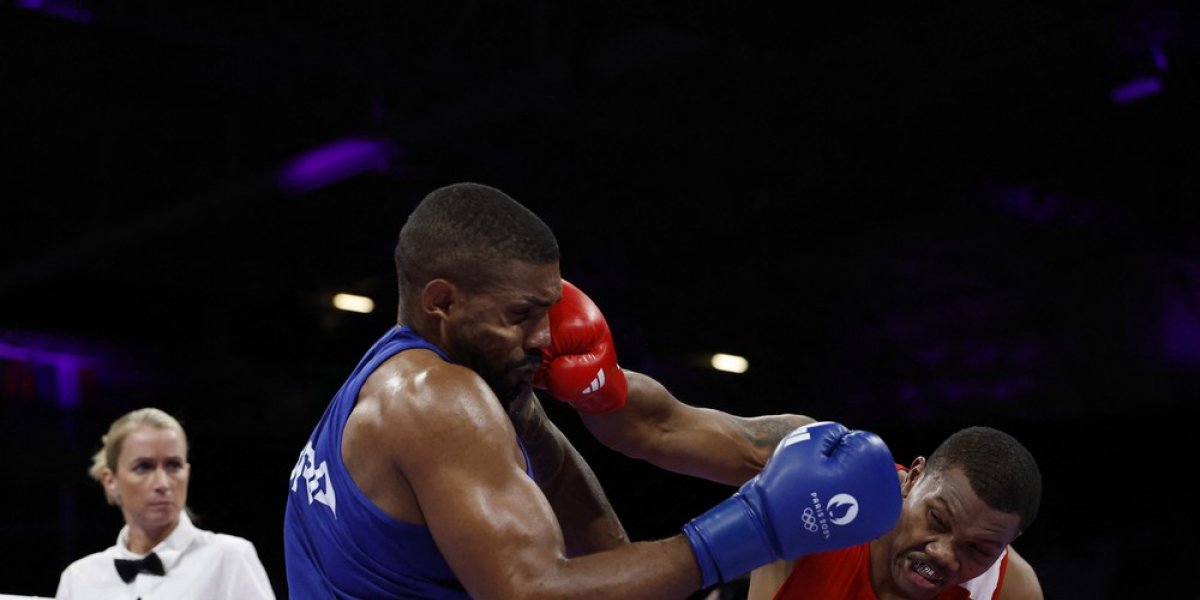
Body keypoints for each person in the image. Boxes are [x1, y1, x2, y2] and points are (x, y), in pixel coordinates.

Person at [282, 181, 905, 599]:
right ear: (441, 301)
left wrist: (600, 403)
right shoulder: (437, 399)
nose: (544, 336)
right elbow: (530, 591)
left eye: (550, 308)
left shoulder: (432, 380)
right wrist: (753, 530)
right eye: (523, 313)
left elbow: (571, 484)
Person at [745, 425, 1043, 600]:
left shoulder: (1009, 590)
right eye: (937, 519)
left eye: (977, 549)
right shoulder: (824, 495)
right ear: (913, 479)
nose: (943, 554)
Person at [55, 407, 275, 599]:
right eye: (143, 467)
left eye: (173, 465)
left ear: (187, 472)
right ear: (110, 480)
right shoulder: (79, 579)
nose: (162, 483)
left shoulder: (229, 558)